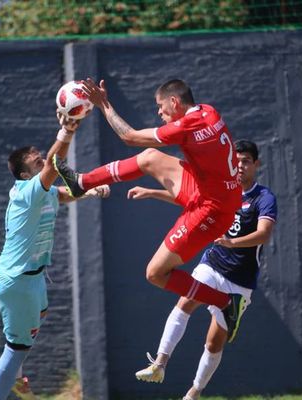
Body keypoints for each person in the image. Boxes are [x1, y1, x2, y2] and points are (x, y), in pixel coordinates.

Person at [54, 78, 246, 337]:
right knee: (149, 158)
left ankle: (226, 302)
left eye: (160, 106)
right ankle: (81, 182)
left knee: (155, 273)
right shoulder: (207, 111)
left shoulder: (186, 126)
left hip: (213, 209)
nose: (159, 113)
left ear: (175, 102)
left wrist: (104, 105)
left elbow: (129, 137)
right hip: (214, 190)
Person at [129, 140, 277, 400]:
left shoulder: (263, 197)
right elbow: (190, 201)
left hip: (239, 283)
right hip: (213, 264)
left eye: (246, 161)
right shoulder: (223, 189)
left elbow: (264, 234)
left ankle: (195, 392)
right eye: (237, 161)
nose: (240, 166)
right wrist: (152, 192)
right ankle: (160, 364)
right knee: (183, 304)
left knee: (213, 343)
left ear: (256, 165)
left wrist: (232, 242)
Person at [0, 114, 110, 400]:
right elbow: (56, 164)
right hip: (17, 281)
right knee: (16, 348)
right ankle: (2, 389)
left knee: (39, 315)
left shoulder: (43, 193)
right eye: (34, 159)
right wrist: (66, 131)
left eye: (38, 154)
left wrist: (89, 191)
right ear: (25, 175)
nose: (39, 157)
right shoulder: (26, 193)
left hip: (32, 279)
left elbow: (63, 195)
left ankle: (16, 373)